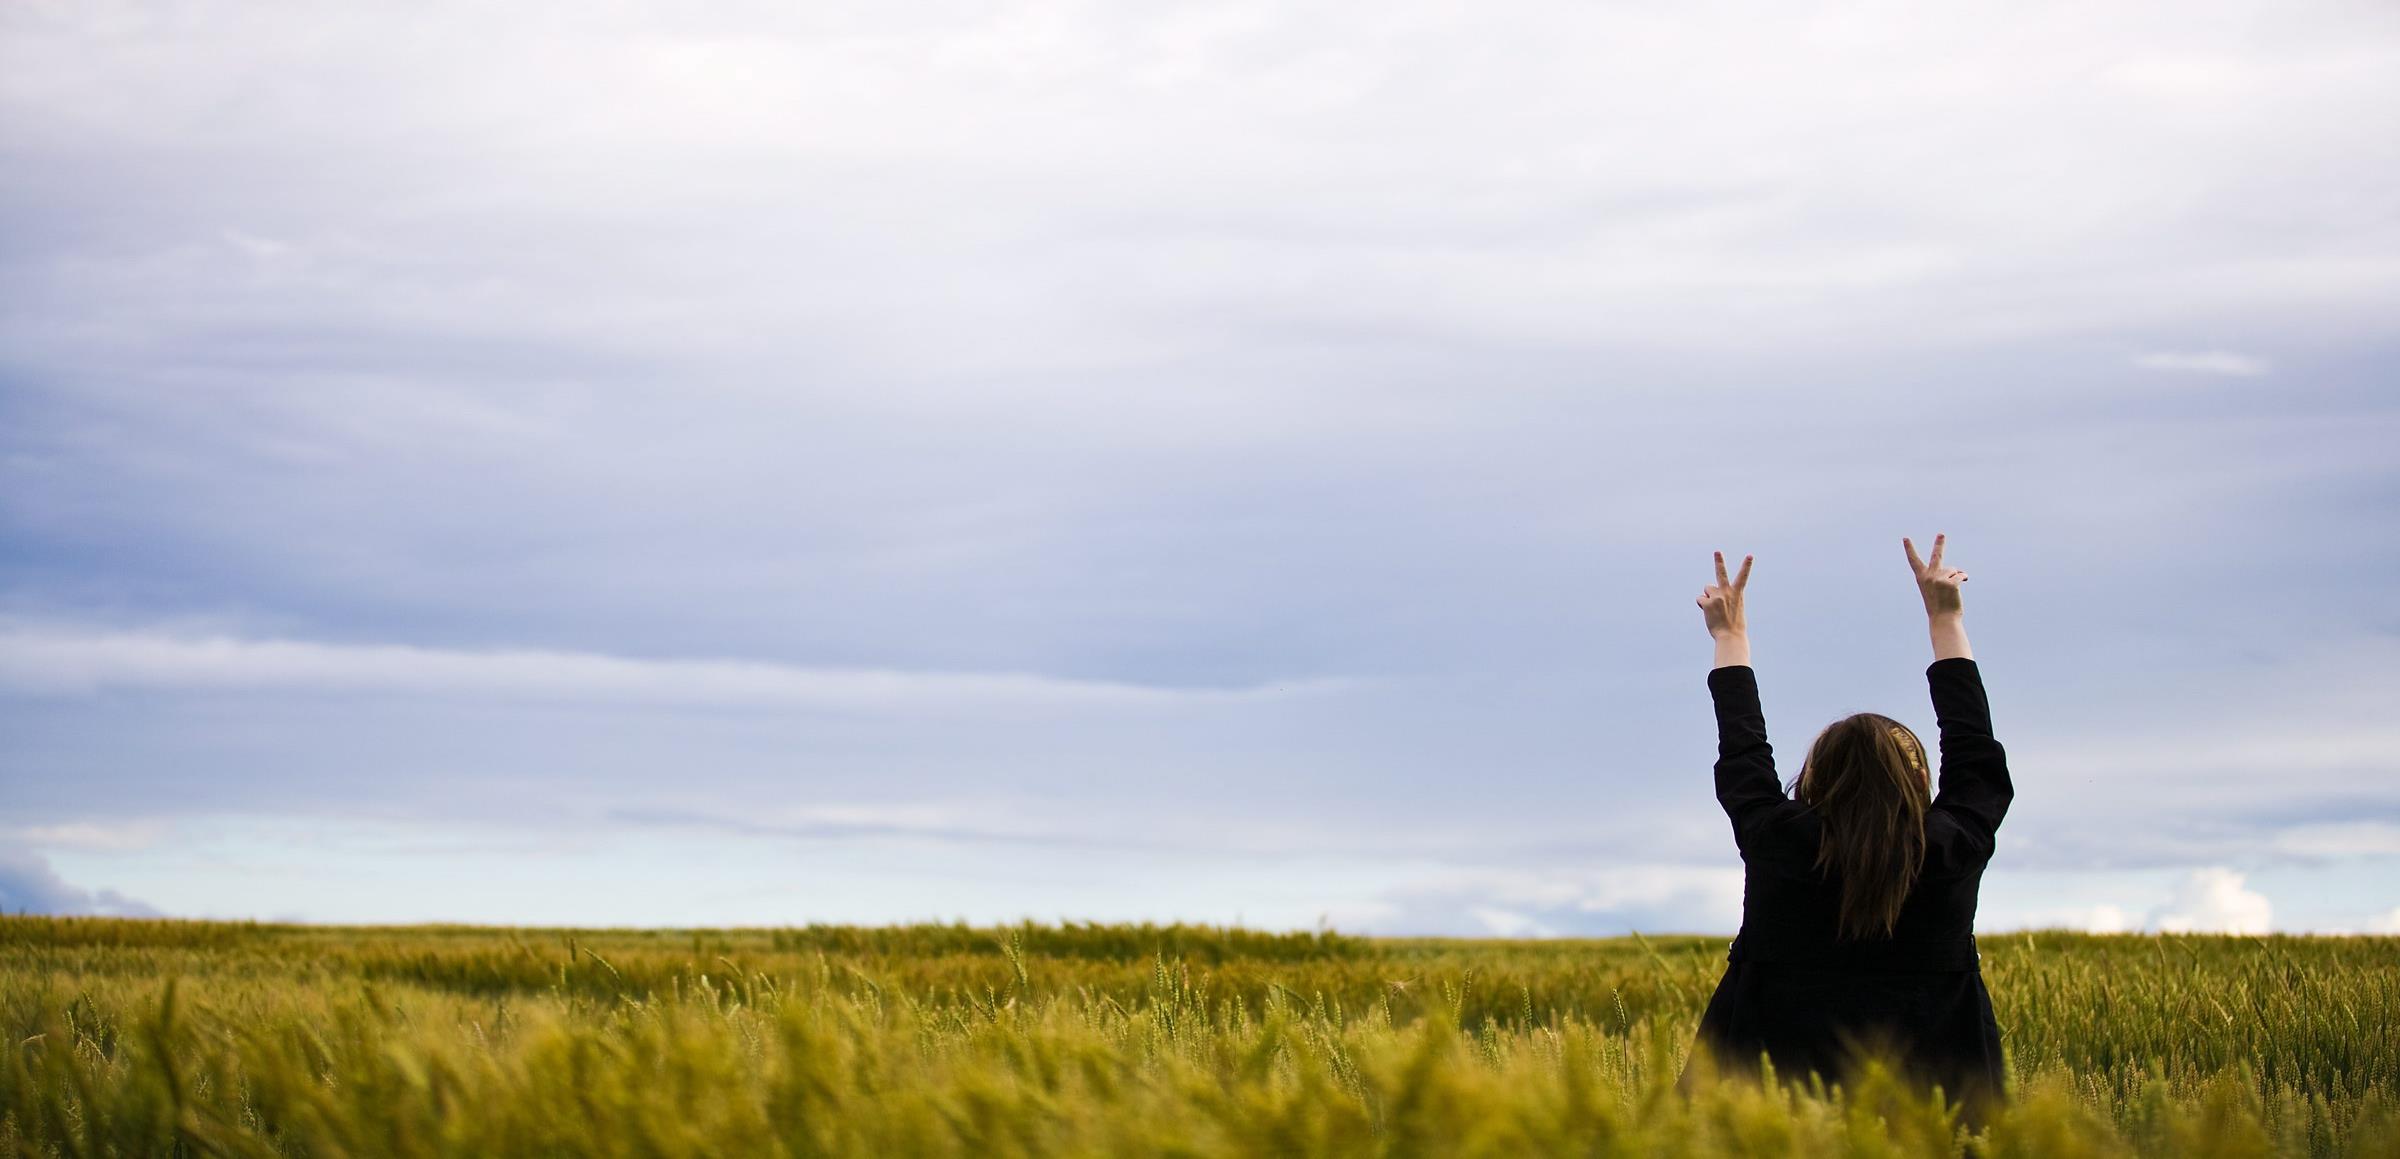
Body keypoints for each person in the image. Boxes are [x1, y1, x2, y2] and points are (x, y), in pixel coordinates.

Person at [1681, 534, 2012, 1122]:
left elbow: (1744, 753)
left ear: (1815, 779)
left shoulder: (1778, 841)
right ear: (1918, 782)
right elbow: (1975, 754)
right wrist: (1945, 619)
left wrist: (1730, 637)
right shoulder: (1950, 849)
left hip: (1768, 1127)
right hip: (1935, 1120)